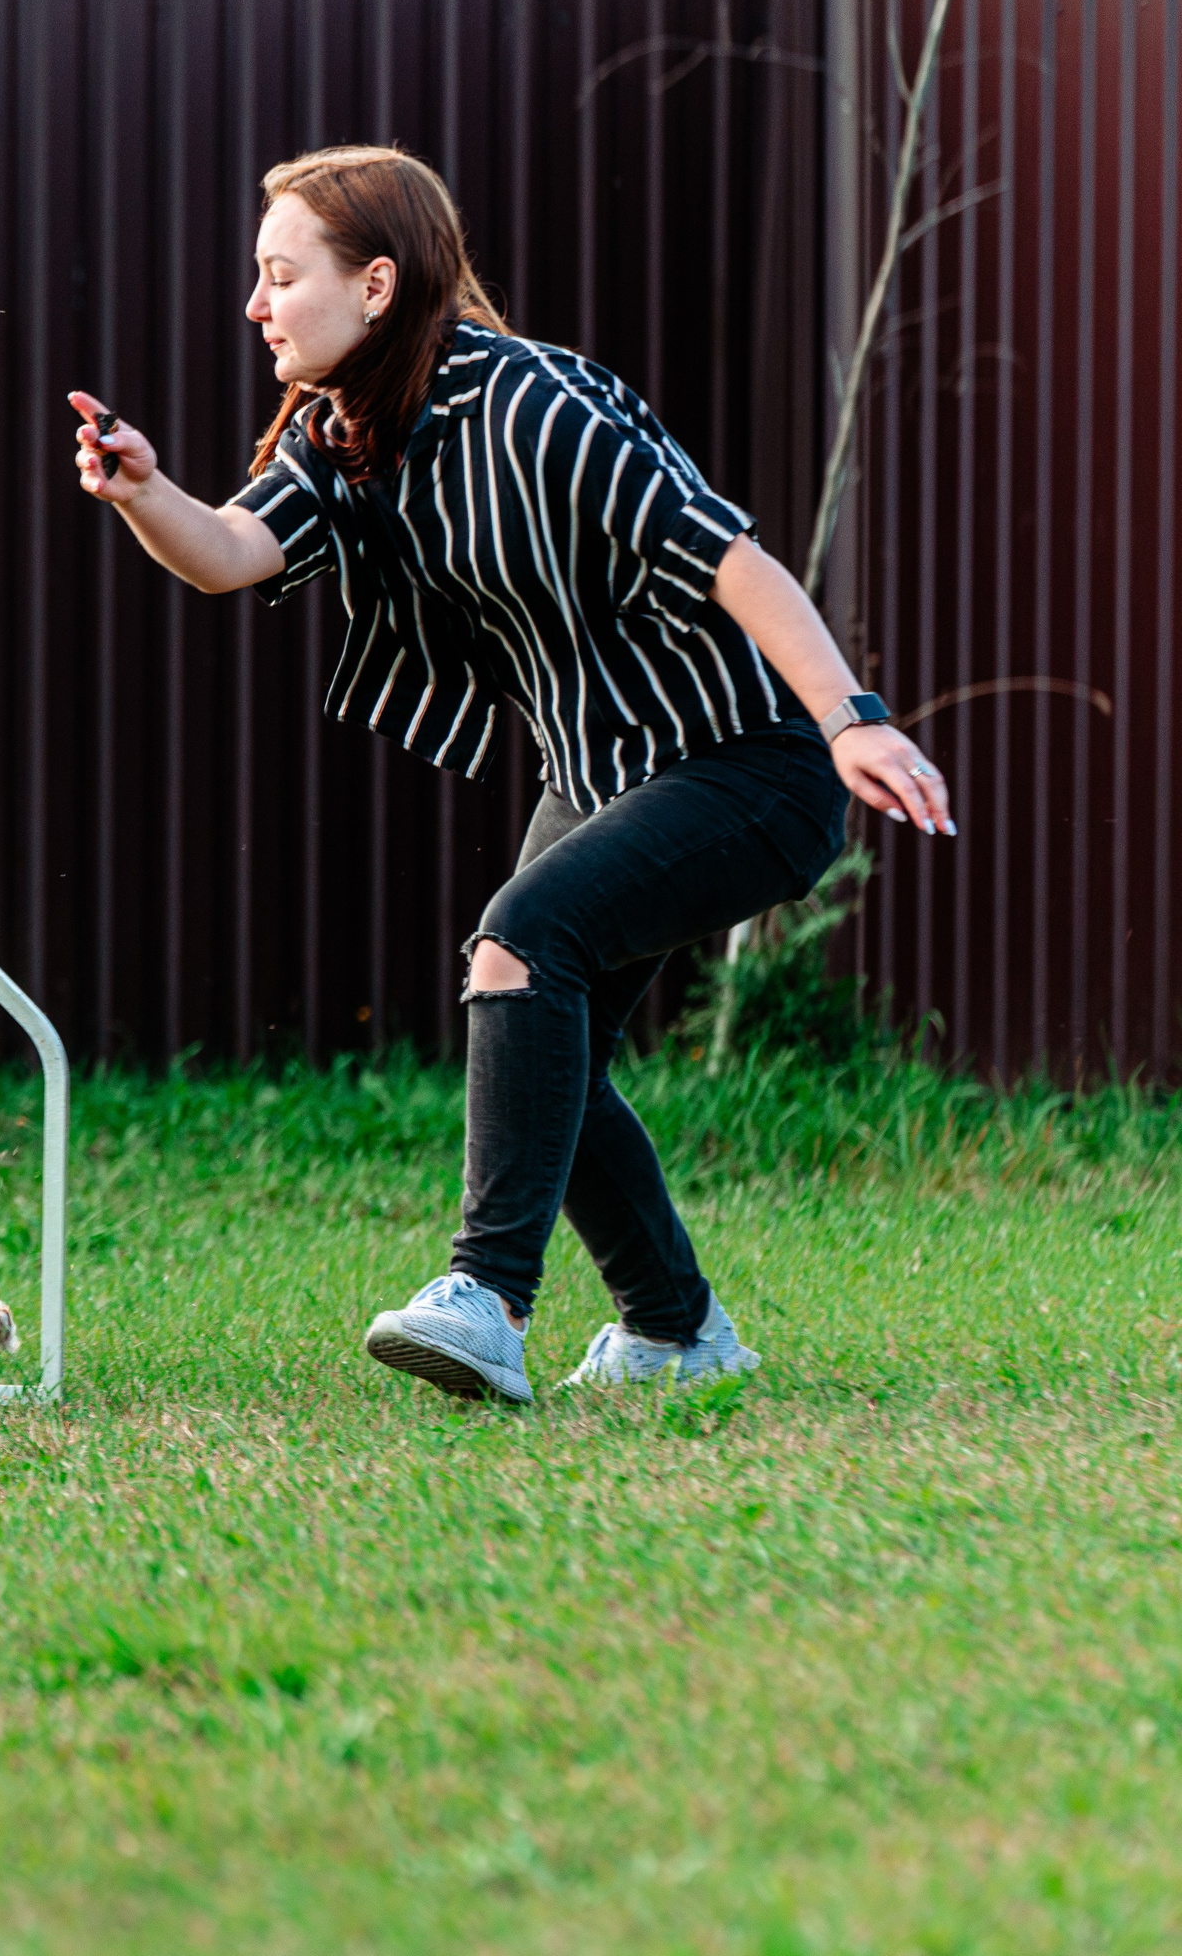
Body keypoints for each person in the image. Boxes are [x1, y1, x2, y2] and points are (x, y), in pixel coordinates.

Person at [70, 145, 953, 1405]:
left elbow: (731, 558)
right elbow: (229, 552)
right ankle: (676, 1328)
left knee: (519, 944)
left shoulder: (532, 407)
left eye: (279, 275)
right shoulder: (349, 435)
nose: (255, 304)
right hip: (603, 772)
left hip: (746, 762)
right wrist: (143, 492)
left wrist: (852, 719)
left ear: (376, 285)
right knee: (542, 1034)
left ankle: (486, 1295)